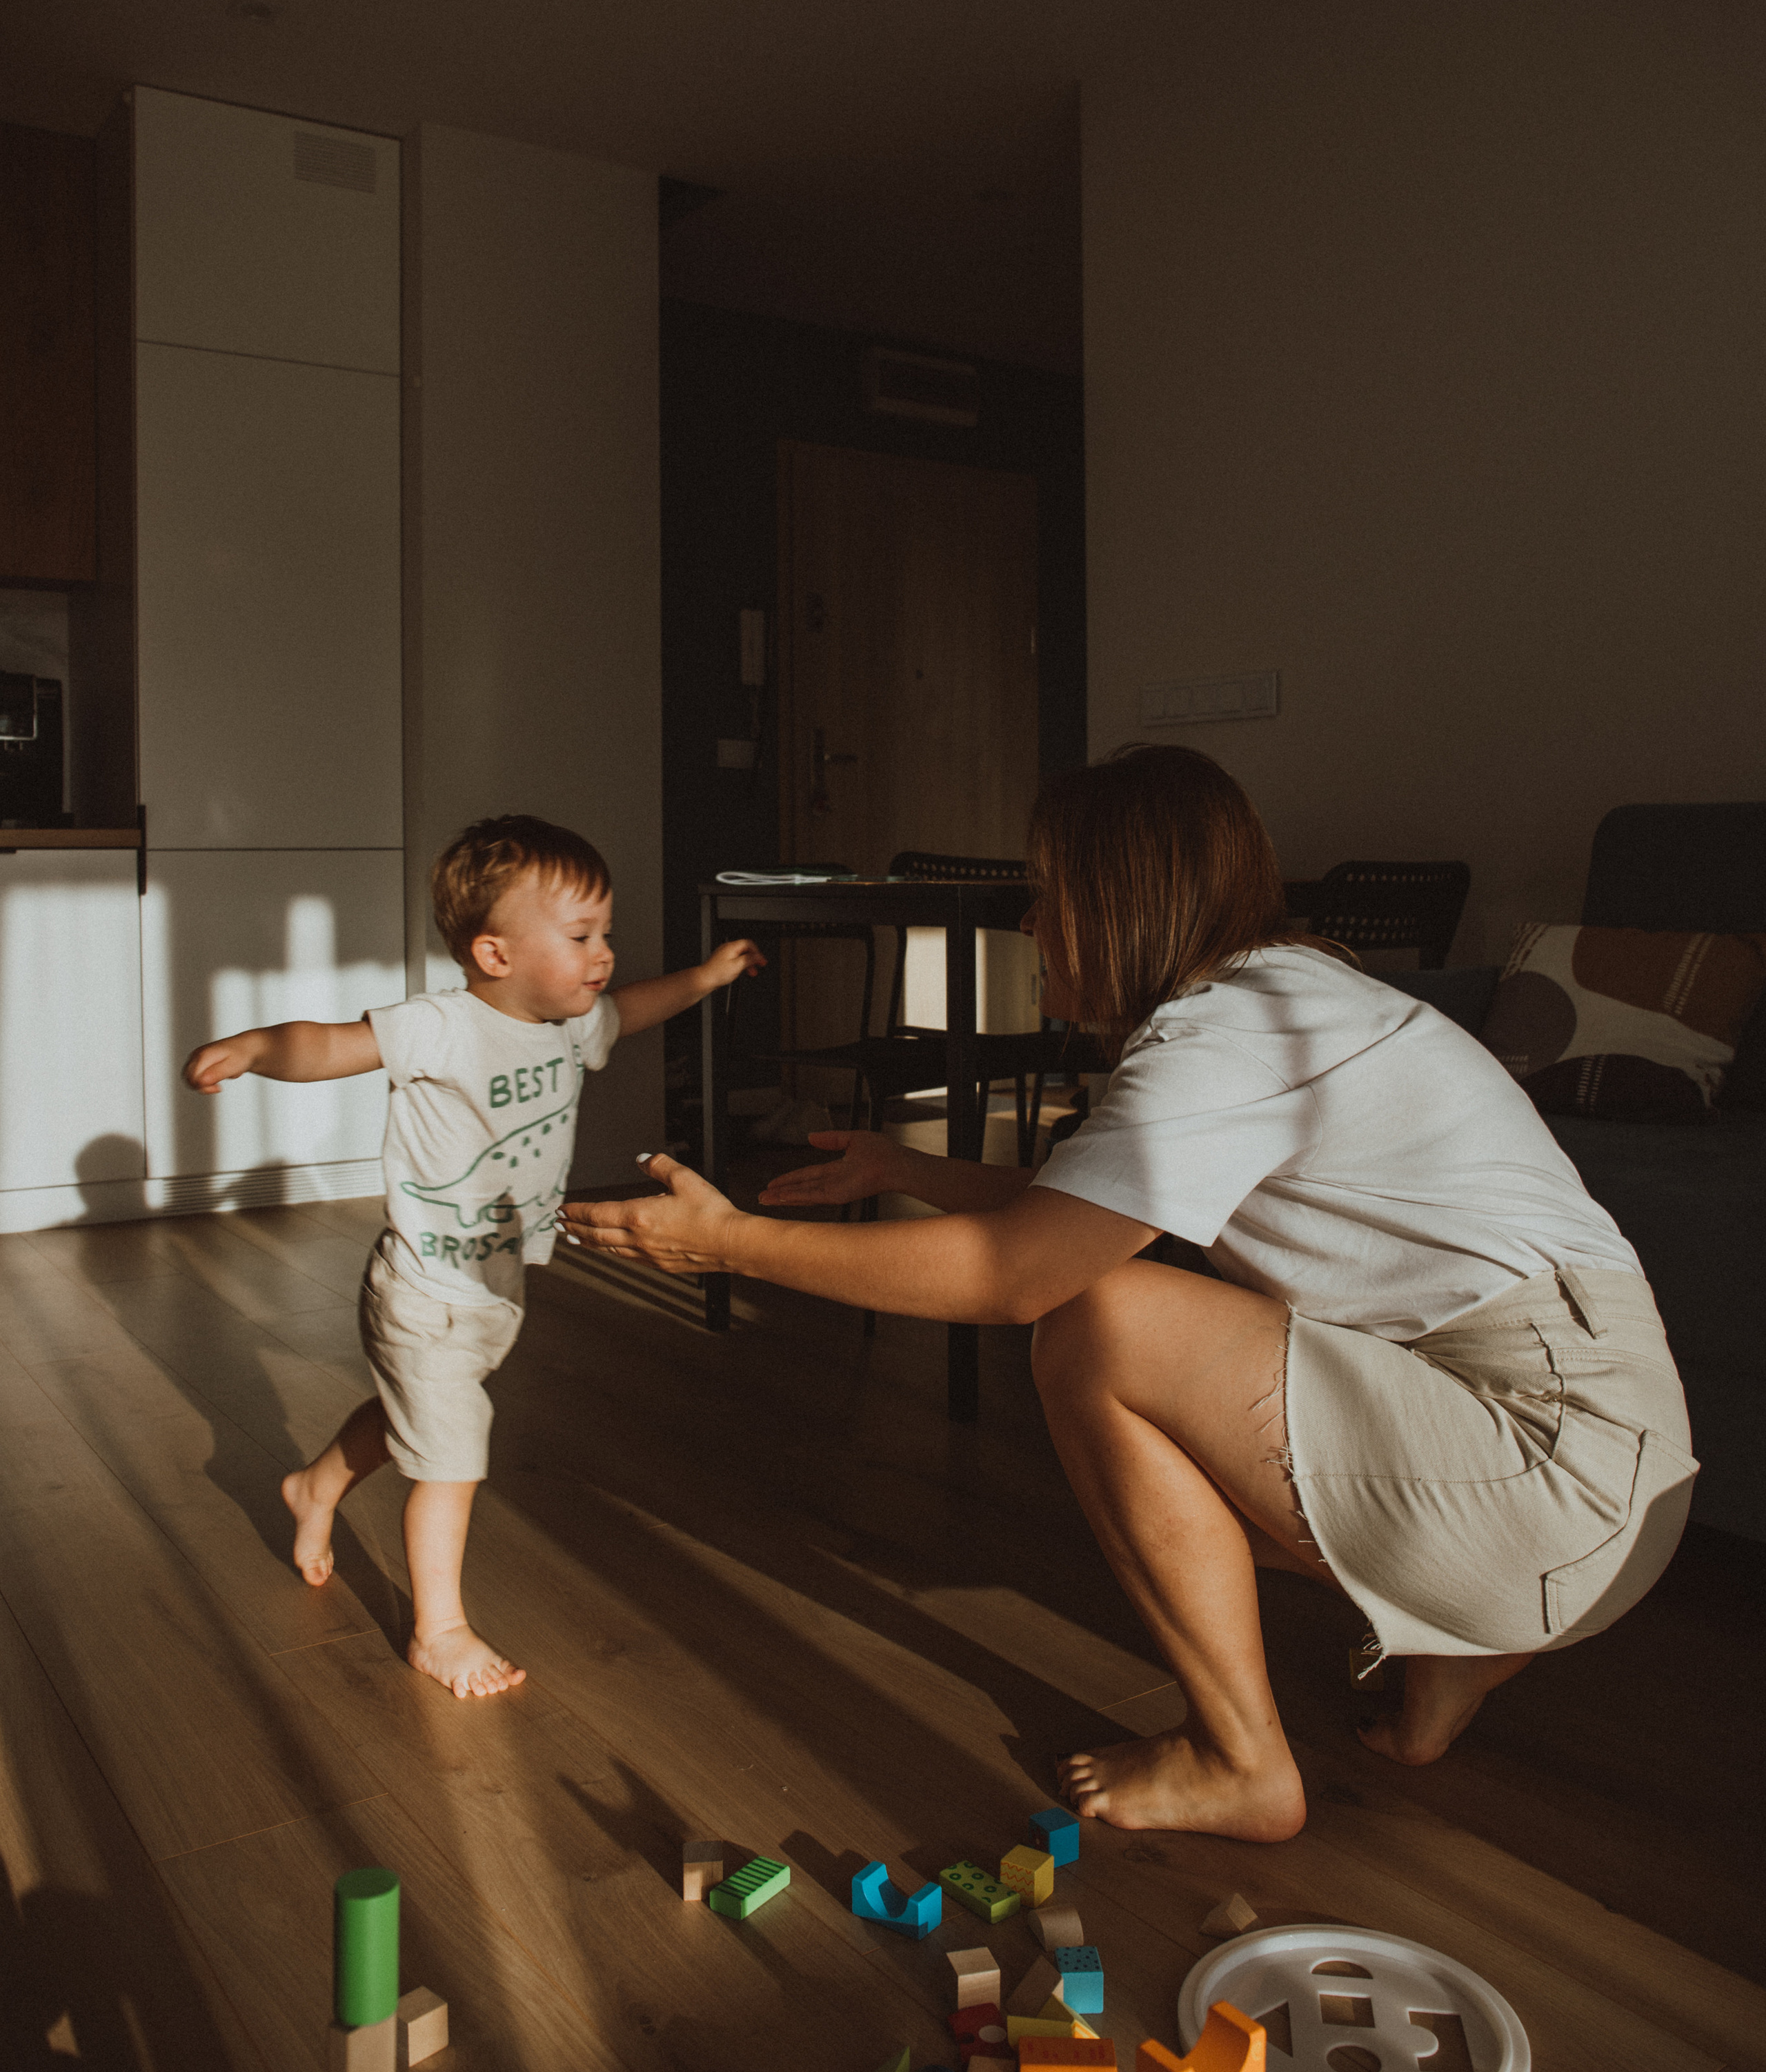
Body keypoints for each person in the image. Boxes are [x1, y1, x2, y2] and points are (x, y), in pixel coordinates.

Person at [566, 748, 1697, 1840]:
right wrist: (907, 1171)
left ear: (1120, 902)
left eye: (1048, 894)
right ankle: (1455, 1660)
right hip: (1612, 1477)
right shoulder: (1285, 1002)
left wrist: (731, 1244)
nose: (1029, 925)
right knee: (1129, 1303)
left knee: (1099, 1325)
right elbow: (1097, 1206)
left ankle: (1242, 1761)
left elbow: (1027, 1274)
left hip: (1554, 1478)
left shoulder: (1225, 1035)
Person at [184, 813, 763, 1699]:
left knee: (415, 1417)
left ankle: (313, 1486)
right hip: (424, 1284)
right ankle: (440, 1630)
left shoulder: (570, 1024)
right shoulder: (441, 1027)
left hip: (494, 1287)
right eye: (579, 937)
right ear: (494, 954)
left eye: (603, 932)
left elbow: (634, 1010)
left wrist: (708, 976)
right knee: (452, 1454)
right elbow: (335, 1044)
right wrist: (259, 1048)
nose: (602, 954)